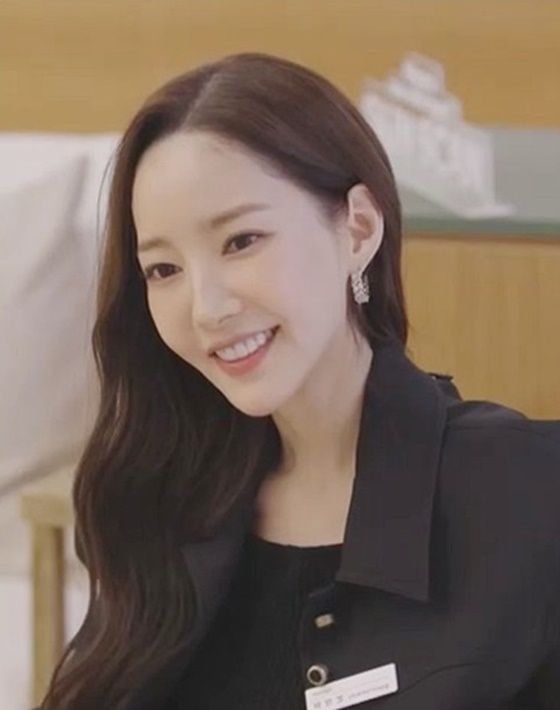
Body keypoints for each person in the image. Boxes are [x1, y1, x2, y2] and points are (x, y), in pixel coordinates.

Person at [37, 52, 560, 710]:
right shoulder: (154, 501)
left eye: (241, 241)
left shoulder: (528, 494)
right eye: (164, 270)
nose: (207, 309)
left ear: (359, 229)